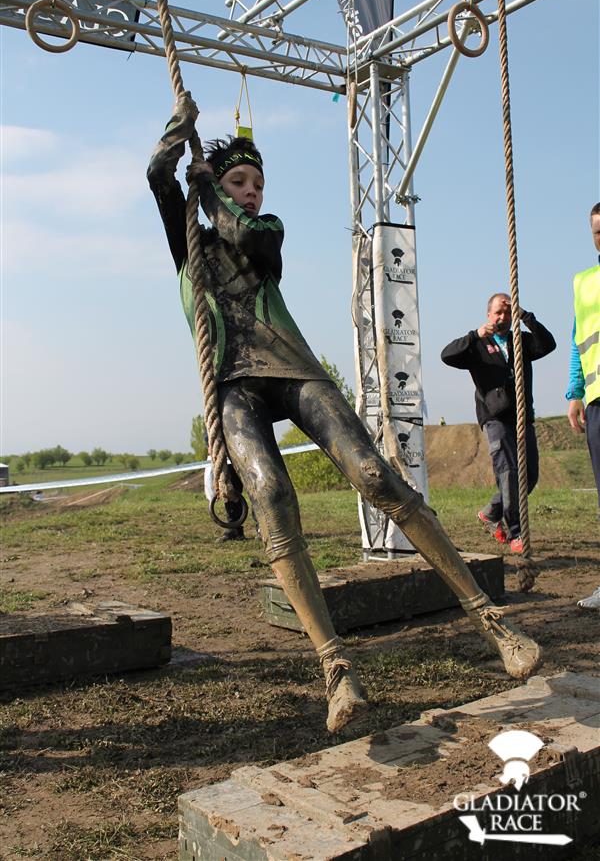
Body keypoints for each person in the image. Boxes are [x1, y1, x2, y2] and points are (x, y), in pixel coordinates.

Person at [147, 93, 541, 733]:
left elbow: (247, 234)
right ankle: (335, 667)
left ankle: (492, 623)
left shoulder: (265, 231)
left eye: (257, 184)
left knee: (375, 475)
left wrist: (214, 194)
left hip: (291, 368)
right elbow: (157, 176)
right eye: (239, 182)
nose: (252, 193)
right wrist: (179, 130)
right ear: (218, 181)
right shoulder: (188, 237)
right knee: (273, 495)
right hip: (232, 386)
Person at [441, 293, 556, 553]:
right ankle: (516, 533)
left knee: (530, 476)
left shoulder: (521, 341)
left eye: (507, 313)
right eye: (498, 313)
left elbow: (548, 344)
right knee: (508, 472)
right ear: (489, 315)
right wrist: (474, 335)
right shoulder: (477, 345)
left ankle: (491, 512)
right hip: (494, 417)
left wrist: (525, 316)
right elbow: (447, 355)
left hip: (522, 415)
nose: (502, 318)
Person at [567, 203, 600, 610]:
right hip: (597, 401)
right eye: (598, 231)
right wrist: (574, 392)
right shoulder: (583, 283)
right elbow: (579, 341)